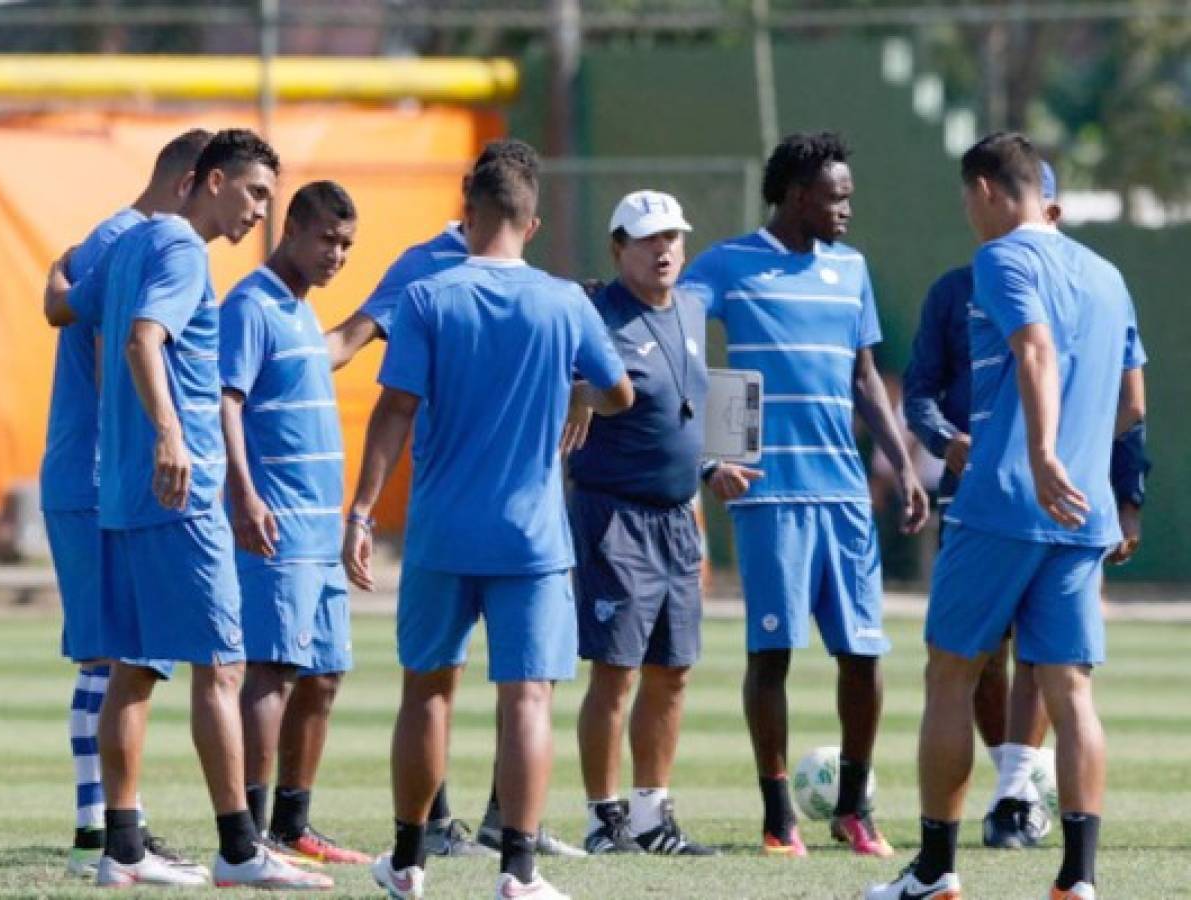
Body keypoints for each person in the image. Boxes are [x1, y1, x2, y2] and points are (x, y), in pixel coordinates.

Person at [43, 129, 329, 890]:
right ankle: (239, 849)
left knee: (133, 669)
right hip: (180, 493)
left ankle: (121, 847)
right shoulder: (179, 250)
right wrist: (173, 437)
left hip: (126, 497)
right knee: (223, 667)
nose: (259, 212)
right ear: (207, 182)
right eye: (253, 193)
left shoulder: (128, 247)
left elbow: (64, 307)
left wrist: (55, 271)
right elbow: (142, 340)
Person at [347, 142, 632, 900]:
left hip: (442, 531)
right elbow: (620, 395)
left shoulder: (427, 298)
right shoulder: (565, 301)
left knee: (426, 692)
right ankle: (519, 872)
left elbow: (394, 411)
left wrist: (362, 512)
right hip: (532, 537)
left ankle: (408, 861)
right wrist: (580, 392)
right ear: (531, 223)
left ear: (466, 214)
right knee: (528, 699)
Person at [866, 132, 1145, 900]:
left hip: (1004, 499)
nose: (967, 214)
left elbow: (1032, 352)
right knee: (1069, 691)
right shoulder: (1106, 274)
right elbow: (1131, 404)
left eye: (966, 197)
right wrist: (1102, 481)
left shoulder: (999, 260)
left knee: (949, 674)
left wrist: (1044, 453)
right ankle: (1078, 880)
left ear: (987, 189)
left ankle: (931, 871)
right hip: (1081, 513)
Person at [680, 130, 929, 858]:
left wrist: (904, 465)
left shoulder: (850, 269)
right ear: (795, 196)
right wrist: (707, 459)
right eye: (835, 196)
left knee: (863, 657)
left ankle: (853, 808)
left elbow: (863, 377)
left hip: (844, 496)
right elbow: (670, 337)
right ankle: (778, 813)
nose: (846, 208)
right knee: (773, 655)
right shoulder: (727, 264)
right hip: (767, 496)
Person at [40, 128, 213, 879]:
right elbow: (115, 348)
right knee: (113, 652)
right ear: (189, 184)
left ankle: (108, 830)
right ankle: (100, 837)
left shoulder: (117, 238)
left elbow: (60, 303)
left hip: (97, 471)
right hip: (96, 472)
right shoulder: (134, 241)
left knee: (113, 652)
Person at [568, 190, 746, 857]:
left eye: (671, 236)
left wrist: (708, 470)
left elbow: (683, 407)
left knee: (672, 669)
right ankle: (602, 817)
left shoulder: (693, 311)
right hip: (613, 513)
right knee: (615, 669)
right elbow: (560, 385)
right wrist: (574, 393)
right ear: (619, 249)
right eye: (647, 239)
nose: (663, 249)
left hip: (678, 517)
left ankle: (651, 817)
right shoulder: (593, 311)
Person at [218, 180, 370, 865]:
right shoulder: (251, 304)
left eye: (346, 245)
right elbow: (224, 403)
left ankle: (290, 825)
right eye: (326, 240)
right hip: (275, 531)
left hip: (319, 535)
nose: (336, 255)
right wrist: (244, 495)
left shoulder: (304, 313)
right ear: (290, 232)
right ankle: (246, 834)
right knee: (271, 673)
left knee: (325, 676)